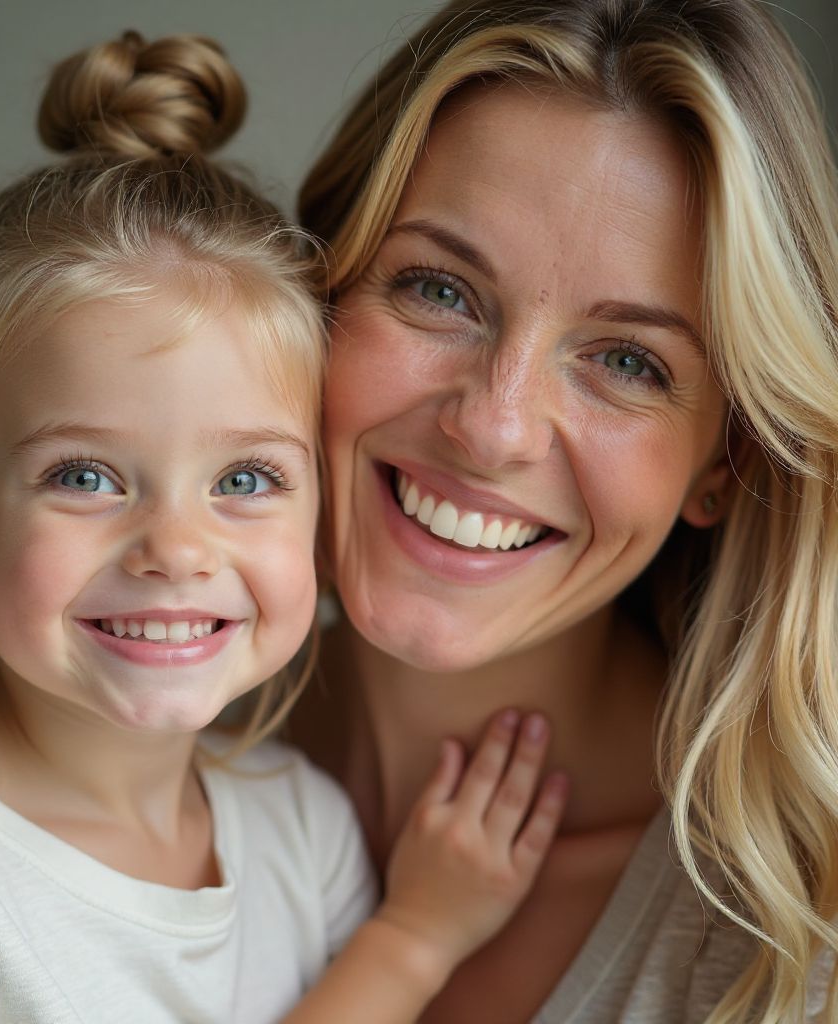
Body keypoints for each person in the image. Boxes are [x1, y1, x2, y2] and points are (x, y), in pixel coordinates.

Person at [0, 31, 569, 1024]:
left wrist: (411, 928)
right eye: (84, 475)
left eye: (246, 477)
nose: (174, 548)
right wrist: (410, 945)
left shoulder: (305, 829)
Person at [289, 0, 838, 1021]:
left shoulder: (793, 950)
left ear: (723, 459)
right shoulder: (101, 749)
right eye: (437, 290)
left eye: (626, 362)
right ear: (316, 298)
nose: (494, 428)